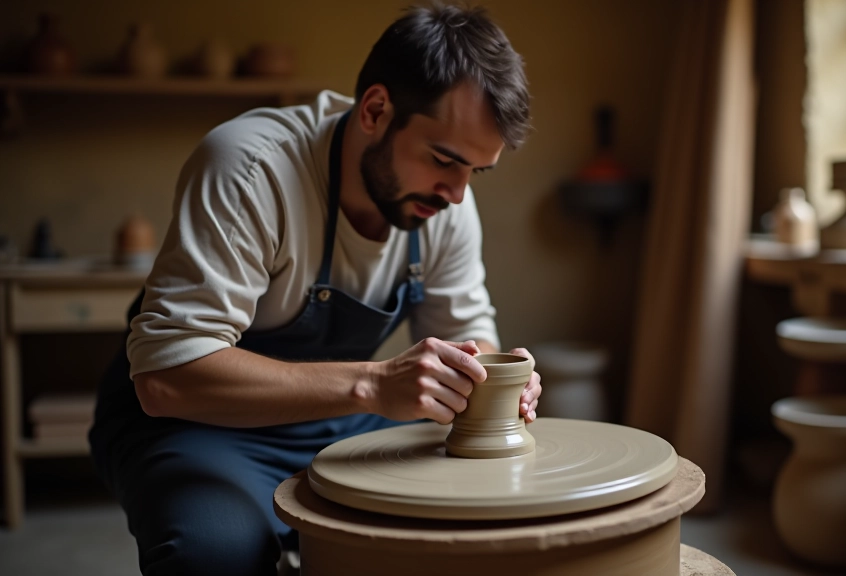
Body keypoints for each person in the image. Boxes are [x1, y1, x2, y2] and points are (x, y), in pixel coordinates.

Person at [89, 4, 540, 575]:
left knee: (469, 521)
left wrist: (498, 381)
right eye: (444, 160)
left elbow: (467, 339)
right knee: (217, 554)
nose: (455, 194)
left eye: (475, 171)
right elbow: (165, 378)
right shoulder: (251, 168)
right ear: (375, 110)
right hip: (191, 425)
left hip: (332, 417)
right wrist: (374, 382)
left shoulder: (446, 202)